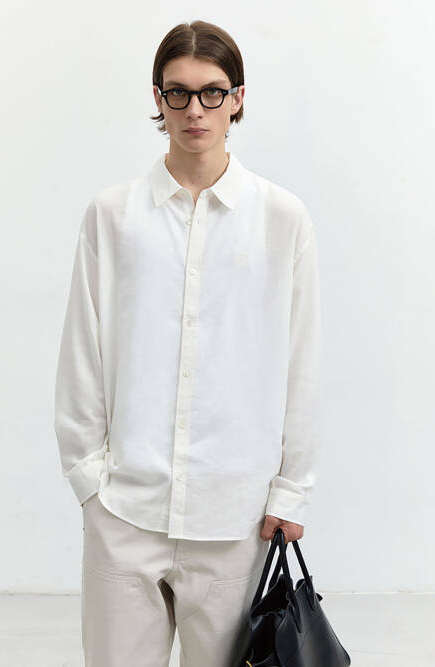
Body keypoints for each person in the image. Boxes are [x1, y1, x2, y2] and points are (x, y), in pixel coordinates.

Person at [54, 19, 322, 667]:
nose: (194, 109)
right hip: (126, 511)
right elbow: (82, 351)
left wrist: (291, 489)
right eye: (178, 92)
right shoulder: (113, 216)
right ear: (158, 98)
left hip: (235, 517)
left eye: (211, 92)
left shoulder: (281, 218)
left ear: (237, 98)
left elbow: (302, 360)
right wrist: (90, 481)